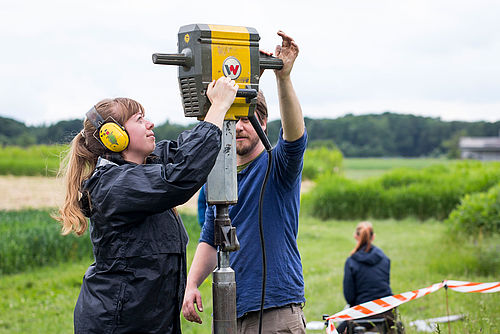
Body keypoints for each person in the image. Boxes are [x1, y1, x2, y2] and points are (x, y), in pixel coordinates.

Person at [53, 76, 238, 334]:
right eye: (140, 120)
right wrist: (218, 108)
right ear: (113, 137)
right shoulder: (113, 185)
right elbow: (181, 176)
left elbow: (185, 151)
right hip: (119, 326)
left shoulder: (145, 165)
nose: (150, 123)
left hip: (149, 322)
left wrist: (221, 104)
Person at [182, 30, 308, 333]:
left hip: (276, 311)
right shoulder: (218, 174)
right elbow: (211, 238)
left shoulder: (278, 166)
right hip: (230, 314)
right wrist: (190, 284)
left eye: (245, 118)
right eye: (230, 118)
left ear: (261, 122)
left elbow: (295, 136)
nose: (237, 127)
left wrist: (283, 78)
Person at [338, 221, 396, 334]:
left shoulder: (351, 261)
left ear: (355, 236)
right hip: (388, 312)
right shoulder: (384, 258)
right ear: (373, 237)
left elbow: (349, 296)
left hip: (363, 314)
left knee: (337, 331)